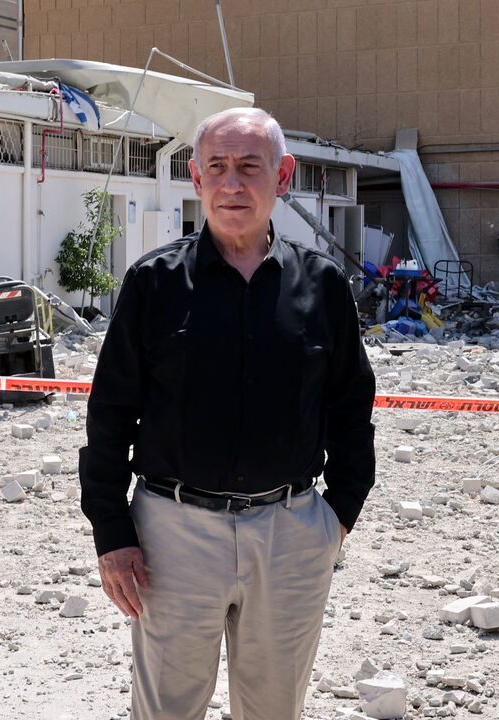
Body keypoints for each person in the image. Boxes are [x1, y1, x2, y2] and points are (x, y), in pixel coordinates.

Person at [79, 107, 376, 720]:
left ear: (283, 175)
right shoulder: (153, 285)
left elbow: (352, 410)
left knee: (273, 711)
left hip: (291, 535)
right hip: (172, 537)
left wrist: (336, 519)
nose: (232, 184)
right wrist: (112, 536)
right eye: (217, 167)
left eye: (249, 166)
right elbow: (109, 418)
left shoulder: (323, 288)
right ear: (195, 177)